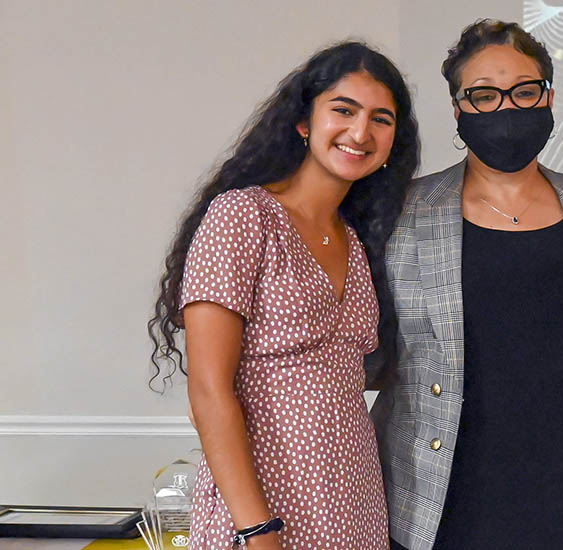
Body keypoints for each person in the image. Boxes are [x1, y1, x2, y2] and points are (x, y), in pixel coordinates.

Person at [367, 19, 563, 550]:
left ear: (549, 97)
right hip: (434, 502)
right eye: (484, 96)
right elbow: (362, 352)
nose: (506, 109)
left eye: (523, 91)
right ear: (459, 108)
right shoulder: (399, 213)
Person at [147, 41, 419, 550]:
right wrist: (257, 529)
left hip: (355, 501)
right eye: (343, 110)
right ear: (303, 122)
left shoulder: (360, 242)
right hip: (262, 504)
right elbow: (208, 392)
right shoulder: (243, 217)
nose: (361, 132)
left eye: (381, 119)